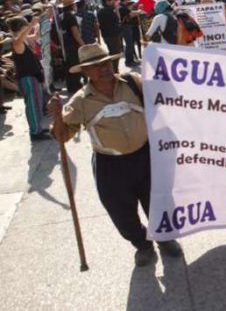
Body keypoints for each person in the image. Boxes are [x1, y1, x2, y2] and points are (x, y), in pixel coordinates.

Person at [47, 43, 183, 267]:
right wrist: (56, 118)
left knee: (158, 202)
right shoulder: (80, 101)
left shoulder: (133, 82)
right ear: (85, 72)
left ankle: (165, 238)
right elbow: (62, 137)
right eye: (95, 66)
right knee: (121, 213)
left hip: (145, 156)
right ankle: (142, 244)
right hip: (109, 165)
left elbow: (167, 96)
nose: (103, 68)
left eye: (106, 62)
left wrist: (161, 66)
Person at [7, 16, 50, 141]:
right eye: (25, 26)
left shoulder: (24, 40)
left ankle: (38, 128)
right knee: (32, 106)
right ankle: (35, 132)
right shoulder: (16, 42)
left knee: (36, 104)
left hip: (32, 77)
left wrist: (41, 22)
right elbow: (19, 39)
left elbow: (36, 36)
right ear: (21, 28)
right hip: (27, 79)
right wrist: (31, 24)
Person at [59, 0, 85, 95]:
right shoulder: (71, 17)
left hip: (66, 44)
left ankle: (71, 87)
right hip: (73, 45)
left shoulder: (62, 16)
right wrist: (83, 45)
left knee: (69, 66)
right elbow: (75, 33)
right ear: (72, 5)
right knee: (76, 66)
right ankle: (76, 86)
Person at [98, 0, 124, 72]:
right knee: (116, 53)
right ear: (107, 2)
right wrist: (116, 11)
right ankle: (114, 70)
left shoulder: (100, 12)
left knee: (113, 52)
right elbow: (118, 20)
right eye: (113, 0)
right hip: (113, 35)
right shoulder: (110, 11)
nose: (114, 2)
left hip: (106, 35)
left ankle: (114, 69)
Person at [118, 0, 140, 66]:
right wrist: (140, 11)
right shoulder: (122, 8)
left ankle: (131, 60)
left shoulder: (120, 6)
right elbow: (132, 14)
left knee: (130, 44)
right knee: (129, 45)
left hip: (125, 27)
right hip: (126, 27)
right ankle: (129, 61)